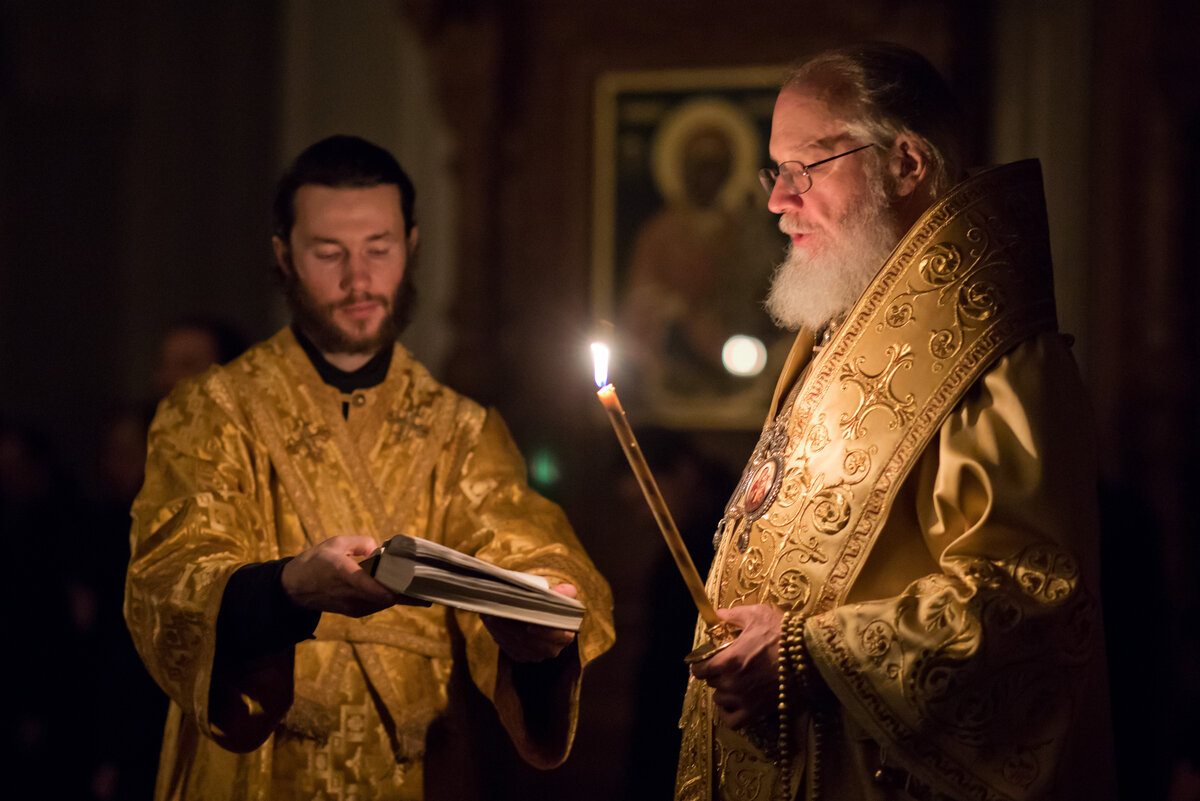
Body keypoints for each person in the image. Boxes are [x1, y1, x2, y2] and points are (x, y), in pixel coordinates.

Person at [676, 43, 1114, 801]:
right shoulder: (834, 331)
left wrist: (806, 653)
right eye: (772, 173)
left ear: (907, 164)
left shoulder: (1003, 362)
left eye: (803, 170)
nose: (778, 201)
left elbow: (1026, 600)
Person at [125, 135, 615, 801]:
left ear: (411, 245)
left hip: (414, 769)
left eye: (379, 249)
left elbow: (521, 540)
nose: (359, 280)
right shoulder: (212, 410)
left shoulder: (461, 430)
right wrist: (291, 587)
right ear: (284, 255)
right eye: (330, 253)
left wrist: (540, 610)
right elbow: (171, 576)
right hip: (254, 771)